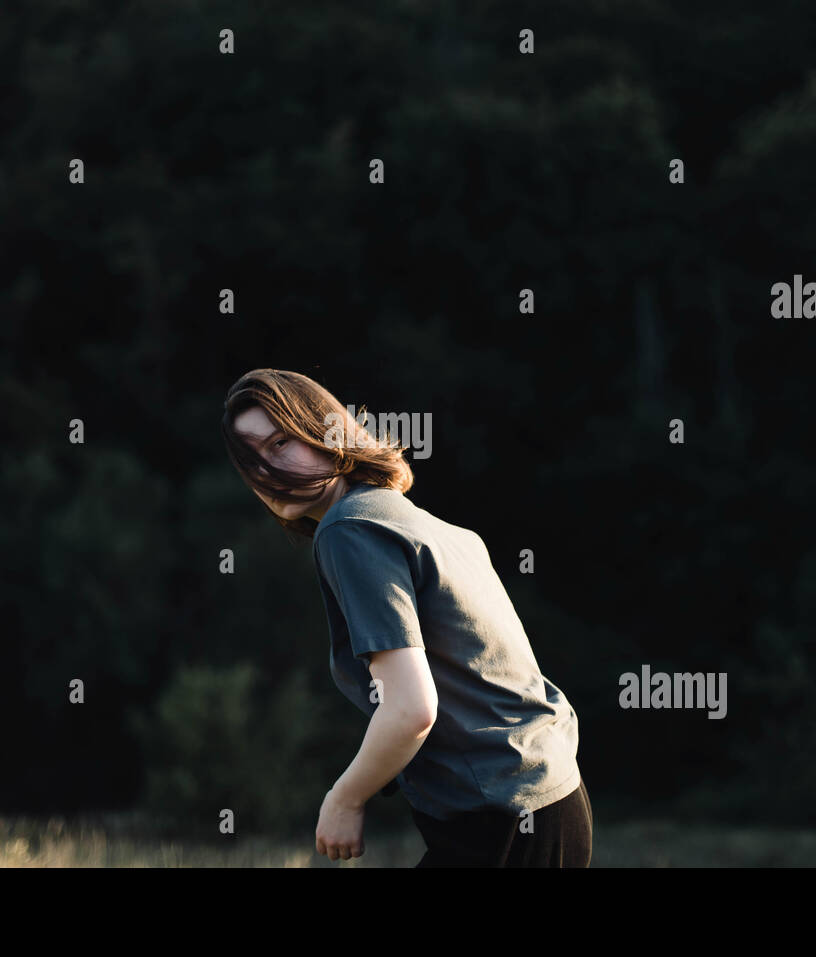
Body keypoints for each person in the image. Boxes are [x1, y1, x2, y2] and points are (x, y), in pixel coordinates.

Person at [222, 368, 592, 867]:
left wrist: (344, 798)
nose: (267, 470)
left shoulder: (349, 530)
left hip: (502, 818)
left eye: (281, 442)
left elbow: (411, 708)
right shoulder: (415, 520)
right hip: (550, 801)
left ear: (328, 431)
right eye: (252, 459)